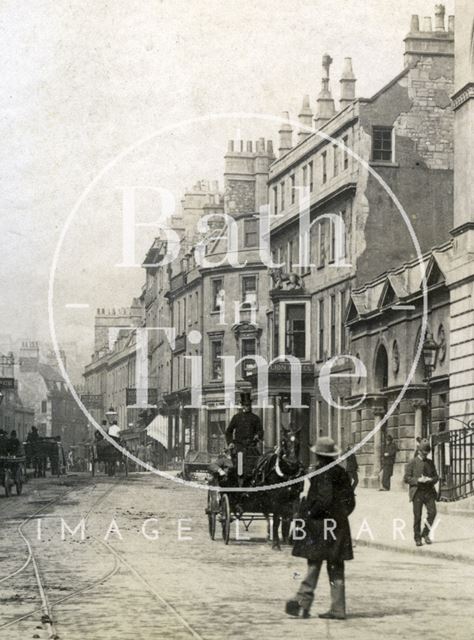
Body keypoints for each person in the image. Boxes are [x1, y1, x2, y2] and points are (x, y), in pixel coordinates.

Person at [286, 437, 355, 620]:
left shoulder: (321, 473)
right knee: (336, 567)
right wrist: (340, 517)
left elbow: (323, 499)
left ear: (318, 455)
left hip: (320, 527)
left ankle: (302, 604)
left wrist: (309, 514)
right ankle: (338, 609)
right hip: (338, 527)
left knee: (314, 564)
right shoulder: (342, 473)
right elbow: (351, 502)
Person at [404, 438, 438, 547]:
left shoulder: (430, 462)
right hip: (417, 492)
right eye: (424, 453)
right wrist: (417, 480)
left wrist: (430, 479)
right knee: (417, 516)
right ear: (419, 451)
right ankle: (417, 538)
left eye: (427, 453)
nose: (425, 455)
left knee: (432, 513)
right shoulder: (412, 462)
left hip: (428, 491)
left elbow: (436, 477)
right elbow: (406, 478)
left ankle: (425, 533)